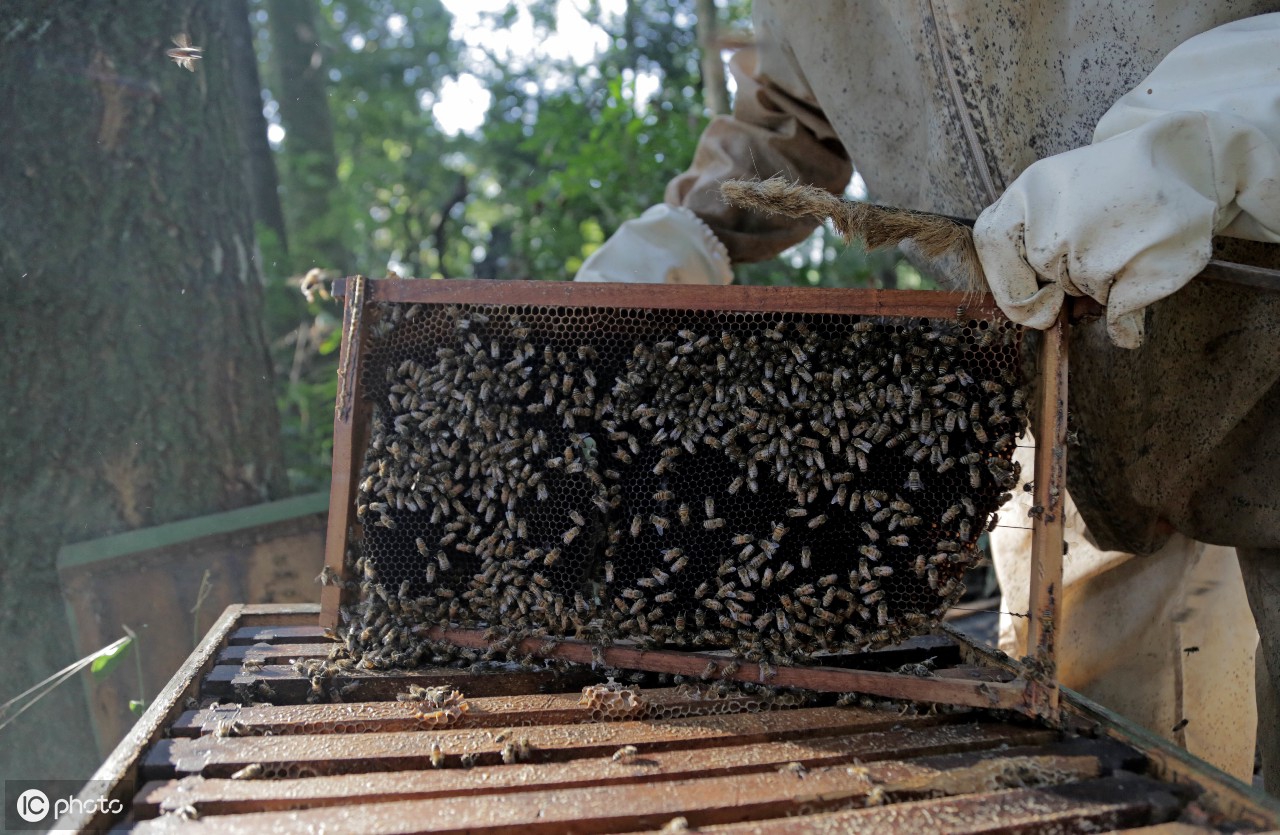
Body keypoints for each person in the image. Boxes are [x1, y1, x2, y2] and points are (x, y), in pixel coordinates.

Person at [575, 5, 1280, 789]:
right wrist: (686, 228)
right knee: (1117, 769)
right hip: (1059, 434)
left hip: (1264, 365)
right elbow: (788, 110)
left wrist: (1234, 122)